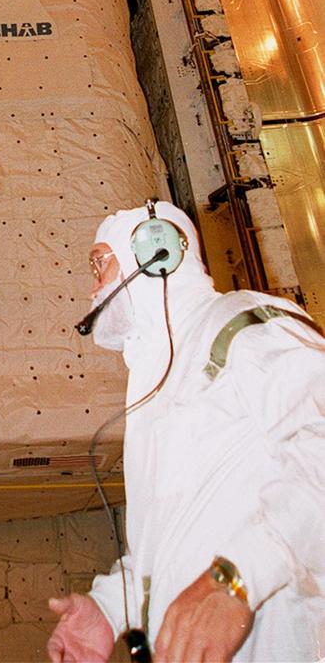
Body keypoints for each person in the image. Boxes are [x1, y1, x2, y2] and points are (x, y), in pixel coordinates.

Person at [48, 201, 325, 663]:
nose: (94, 285)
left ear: (155, 252)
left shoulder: (238, 319)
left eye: (100, 263)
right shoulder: (160, 380)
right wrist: (112, 608)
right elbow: (176, 539)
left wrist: (236, 580)